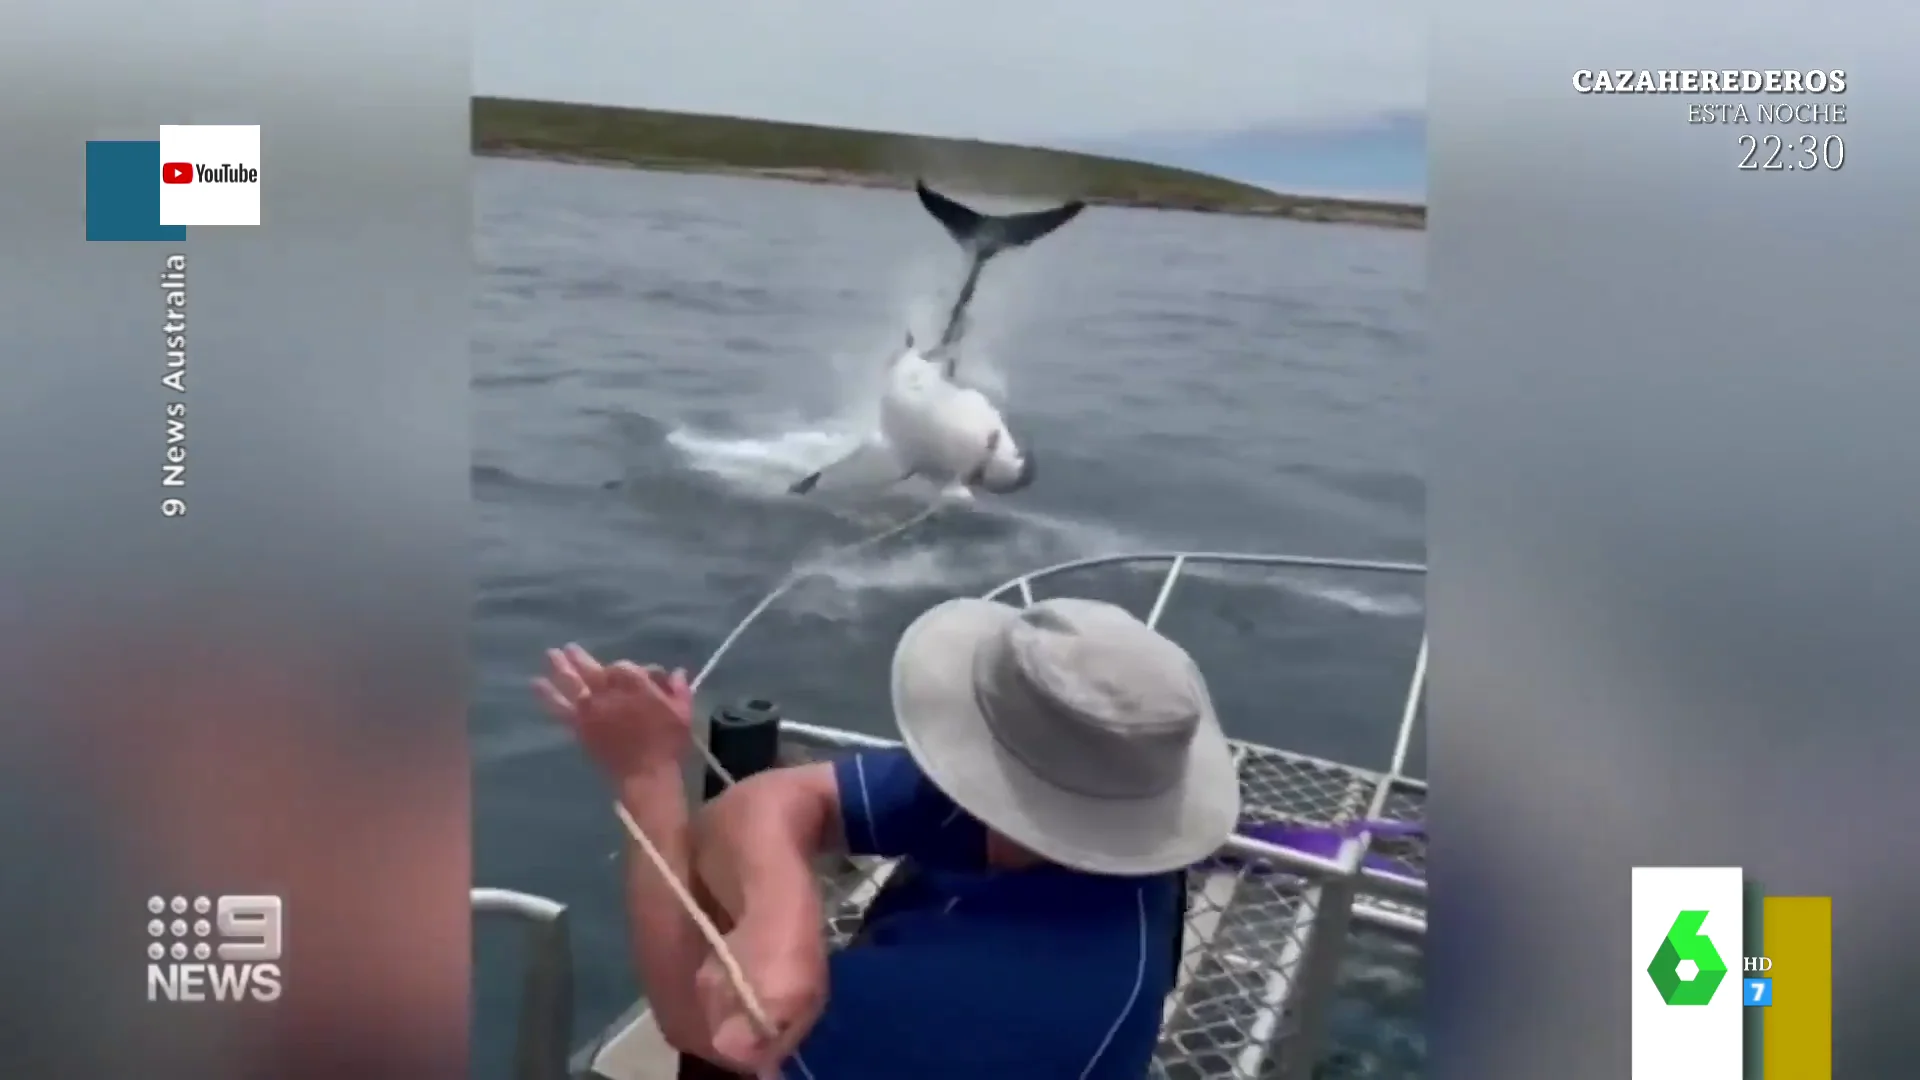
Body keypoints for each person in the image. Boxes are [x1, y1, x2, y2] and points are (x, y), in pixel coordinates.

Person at [536, 596, 1242, 1079]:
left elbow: (699, 1026)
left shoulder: (992, 1007)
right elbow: (769, 801)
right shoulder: (1087, 797)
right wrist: (786, 923)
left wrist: (647, 775)